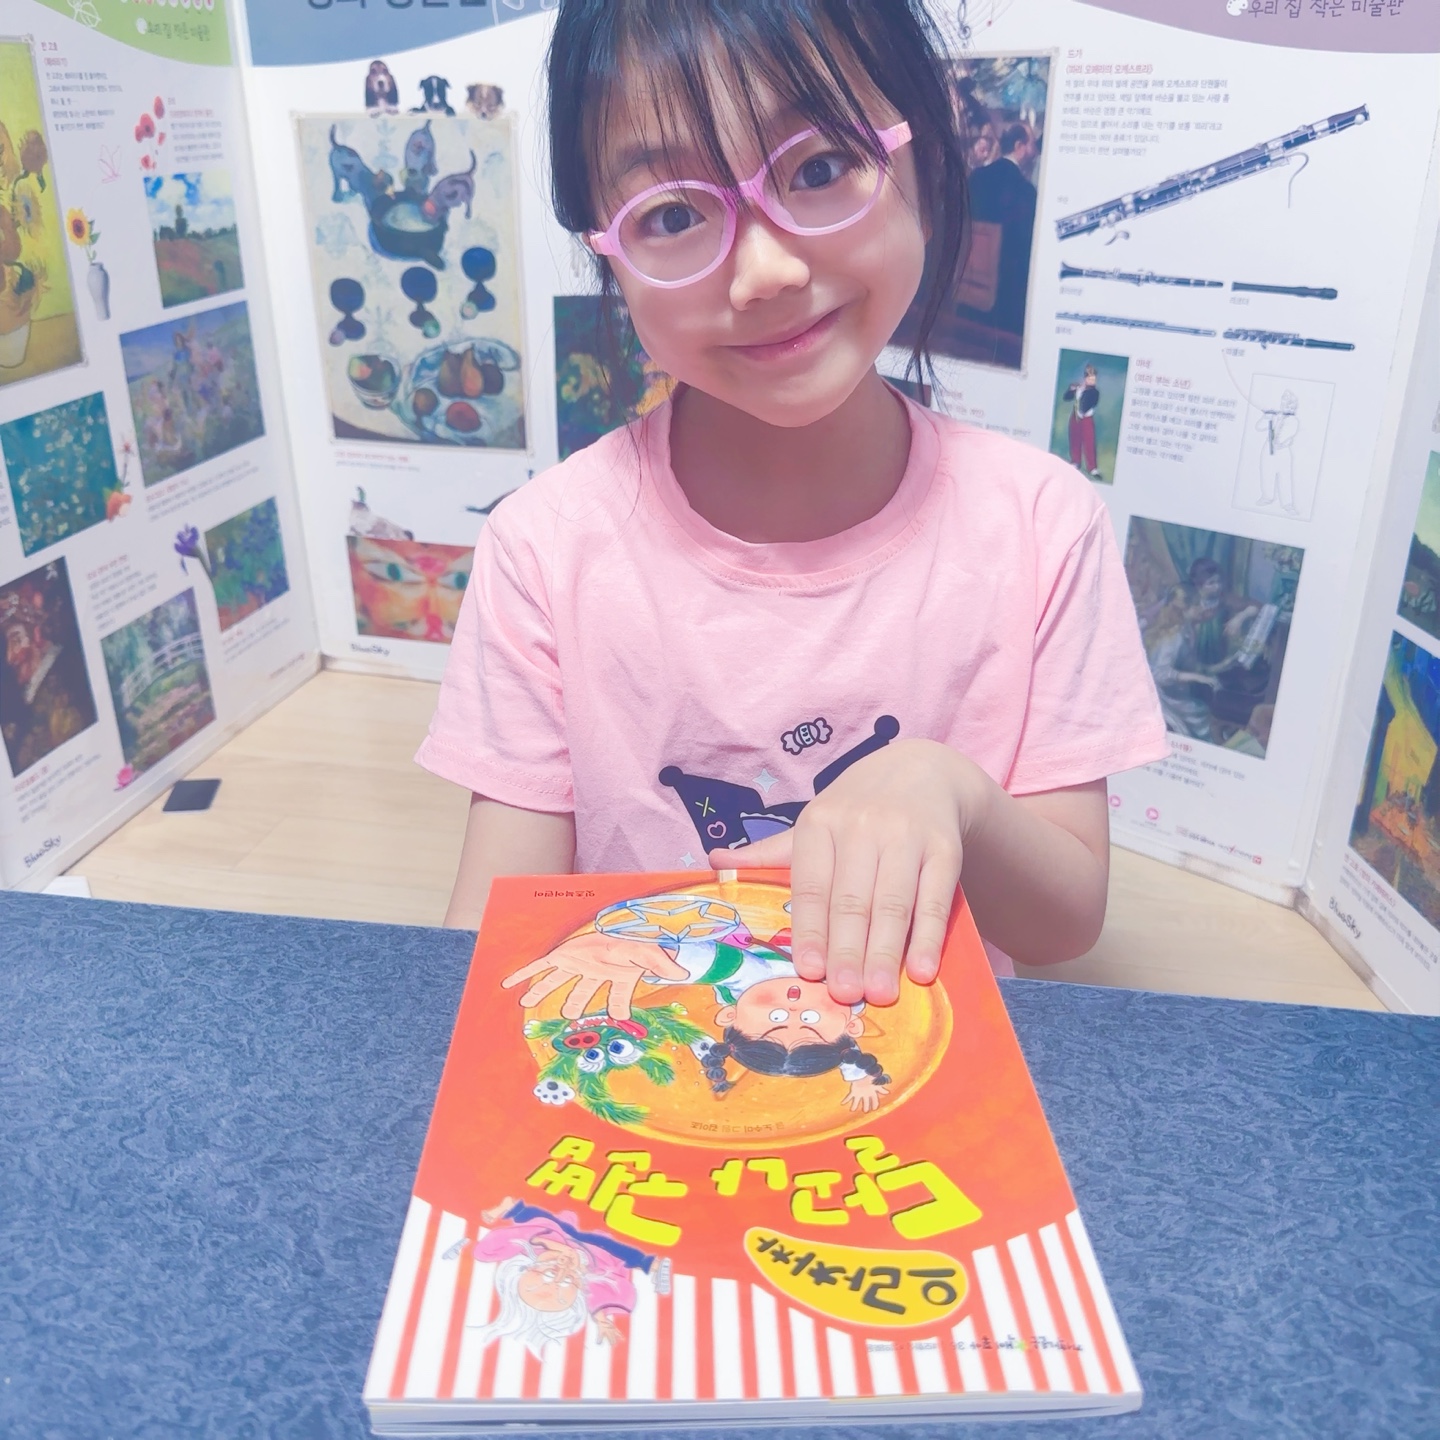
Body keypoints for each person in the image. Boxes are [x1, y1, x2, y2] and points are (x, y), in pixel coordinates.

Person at [420, 0, 1168, 1002]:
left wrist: (954, 795)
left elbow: (1064, 922)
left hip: (926, 1071)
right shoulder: (543, 550)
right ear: (606, 252)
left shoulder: (1042, 525)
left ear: (925, 158)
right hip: (645, 1064)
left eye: (818, 168)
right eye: (673, 215)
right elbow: (492, 941)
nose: (765, 272)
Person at [964, 122, 1039, 336]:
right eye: (1032, 145)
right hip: (1005, 298)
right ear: (1019, 146)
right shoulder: (1025, 192)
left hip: (967, 286)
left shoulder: (977, 177)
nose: (1035, 152)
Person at [1062, 362, 1102, 481]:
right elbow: (1066, 398)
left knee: (1089, 441)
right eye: (1090, 378)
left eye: (1093, 379)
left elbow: (1090, 403)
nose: (1092, 381)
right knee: (1075, 438)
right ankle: (1076, 461)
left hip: (1086, 418)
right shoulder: (1078, 388)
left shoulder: (1095, 392)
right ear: (1085, 378)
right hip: (1075, 417)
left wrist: (1081, 411)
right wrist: (1071, 390)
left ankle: (1092, 467)